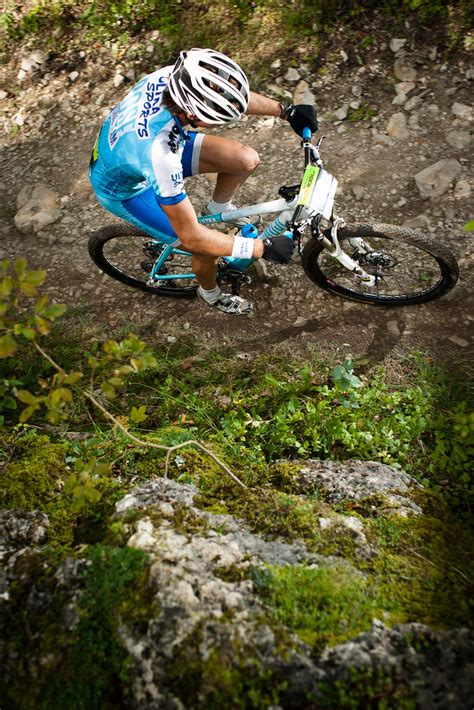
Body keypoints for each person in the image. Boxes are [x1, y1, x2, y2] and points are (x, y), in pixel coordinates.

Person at [89, 48, 318, 315]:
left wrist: (286, 111)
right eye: (217, 119)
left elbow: (230, 100)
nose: (222, 121)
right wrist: (260, 248)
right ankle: (210, 294)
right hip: (125, 189)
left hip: (139, 150)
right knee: (206, 250)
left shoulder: (172, 79)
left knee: (245, 159)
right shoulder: (160, 156)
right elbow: (193, 237)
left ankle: (218, 208)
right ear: (193, 114)